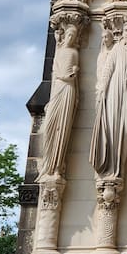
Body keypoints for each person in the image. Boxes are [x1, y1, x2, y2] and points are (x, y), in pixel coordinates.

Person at [89, 21, 127, 177]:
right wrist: (102, 89)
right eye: (126, 30)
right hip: (114, 91)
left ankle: (120, 165)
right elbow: (108, 69)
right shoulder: (117, 48)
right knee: (113, 126)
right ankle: (110, 167)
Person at [40, 24, 81, 177]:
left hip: (68, 90)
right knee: (51, 125)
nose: (70, 38)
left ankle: (57, 166)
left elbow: (75, 76)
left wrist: (76, 92)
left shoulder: (74, 53)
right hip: (58, 88)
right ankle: (47, 166)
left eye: (73, 36)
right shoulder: (60, 51)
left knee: (62, 127)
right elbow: (54, 73)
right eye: (69, 35)